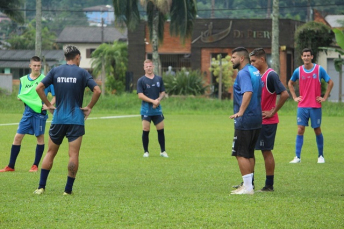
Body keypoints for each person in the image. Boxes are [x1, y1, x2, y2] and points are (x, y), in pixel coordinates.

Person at [33, 45, 101, 195]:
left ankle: (41, 187)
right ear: (77, 57)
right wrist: (89, 107)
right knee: (73, 155)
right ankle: (67, 190)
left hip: (58, 119)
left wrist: (49, 105)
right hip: (76, 119)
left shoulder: (56, 71)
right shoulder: (82, 73)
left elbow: (39, 88)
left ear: (65, 58)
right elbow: (97, 90)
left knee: (50, 152)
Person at [0, 56, 55, 173]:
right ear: (30, 66)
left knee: (40, 138)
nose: (37, 67)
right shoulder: (23, 79)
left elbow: (56, 95)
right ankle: (10, 166)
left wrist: (49, 105)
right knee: (17, 137)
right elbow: (22, 95)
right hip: (27, 113)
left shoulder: (45, 80)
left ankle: (35, 165)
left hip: (39, 114)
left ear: (41, 66)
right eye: (34, 65)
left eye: (39, 66)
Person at [249, 48, 289, 192]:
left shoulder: (270, 75)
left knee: (266, 151)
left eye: (254, 61)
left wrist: (273, 111)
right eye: (250, 61)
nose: (252, 63)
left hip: (267, 122)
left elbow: (284, 94)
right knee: (249, 151)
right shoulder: (256, 75)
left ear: (262, 59)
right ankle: (249, 184)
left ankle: (269, 185)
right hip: (254, 120)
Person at [288, 48, 333, 164]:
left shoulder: (319, 70)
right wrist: (294, 97)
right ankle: (297, 157)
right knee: (300, 129)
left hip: (315, 106)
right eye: (304, 56)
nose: (306, 57)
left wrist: (324, 97)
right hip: (302, 106)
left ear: (312, 57)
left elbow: (330, 82)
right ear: (302, 57)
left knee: (317, 129)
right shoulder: (298, 71)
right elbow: (290, 83)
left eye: (308, 55)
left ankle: (321, 156)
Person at [229, 47, 262, 195]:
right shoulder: (255, 71)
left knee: (240, 153)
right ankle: (249, 185)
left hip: (246, 118)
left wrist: (241, 111)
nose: (231, 60)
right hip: (256, 117)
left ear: (242, 58)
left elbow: (248, 92)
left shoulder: (243, 73)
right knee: (249, 152)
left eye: (234, 57)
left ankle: (248, 188)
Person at [137, 59, 168, 158]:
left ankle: (163, 151)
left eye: (150, 66)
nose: (149, 68)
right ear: (144, 68)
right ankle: (146, 151)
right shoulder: (141, 80)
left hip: (157, 109)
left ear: (153, 67)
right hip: (146, 109)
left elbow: (163, 92)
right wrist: (152, 101)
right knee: (146, 129)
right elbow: (140, 95)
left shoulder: (159, 79)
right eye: (147, 67)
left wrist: (158, 100)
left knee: (161, 130)